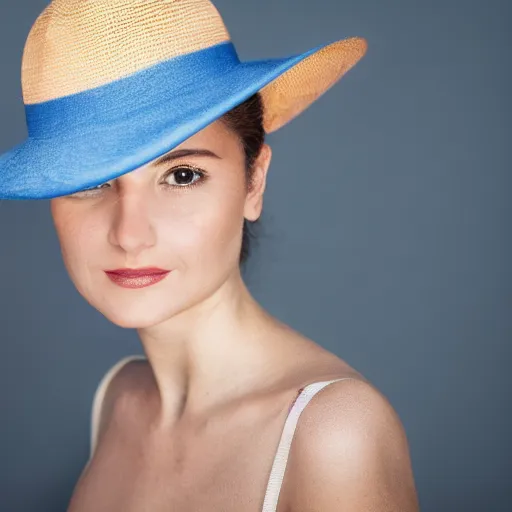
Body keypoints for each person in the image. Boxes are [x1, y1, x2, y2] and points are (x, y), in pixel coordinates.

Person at [0, 1, 419, 510]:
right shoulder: (117, 398)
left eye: (181, 176)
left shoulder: (333, 432)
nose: (130, 234)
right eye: (91, 183)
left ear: (253, 181)